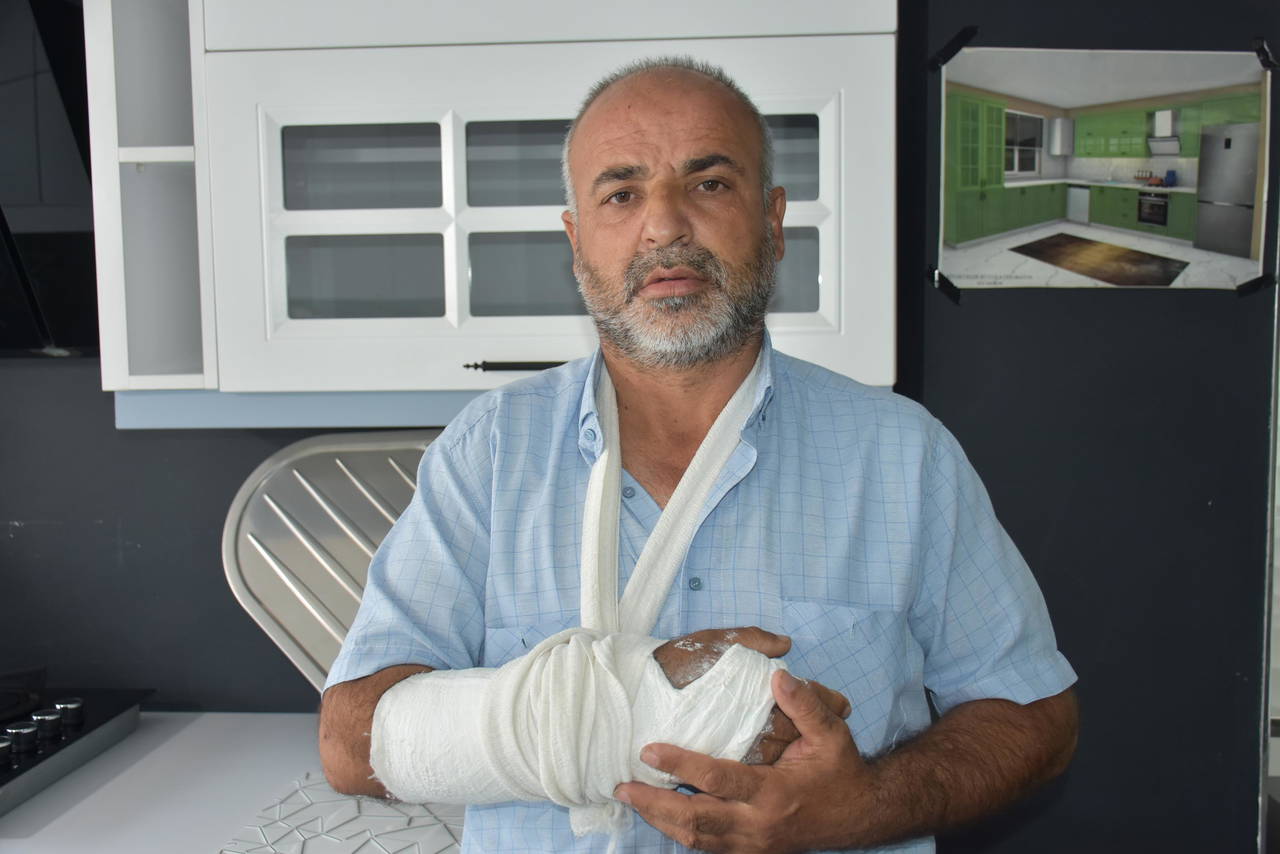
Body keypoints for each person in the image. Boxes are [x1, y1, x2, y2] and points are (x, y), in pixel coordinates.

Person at [318, 56, 1079, 853]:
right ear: (577, 243)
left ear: (774, 223)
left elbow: (1036, 717)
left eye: (709, 184)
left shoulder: (902, 456)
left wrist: (866, 807)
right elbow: (351, 744)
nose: (666, 225)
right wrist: (625, 703)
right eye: (622, 193)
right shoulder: (489, 455)